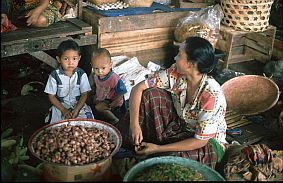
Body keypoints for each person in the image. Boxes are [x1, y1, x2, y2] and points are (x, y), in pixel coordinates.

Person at [117, 36, 228, 169]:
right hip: (181, 125)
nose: (175, 58)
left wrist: (158, 148)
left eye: (179, 55)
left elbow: (199, 141)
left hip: (206, 142)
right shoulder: (176, 72)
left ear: (190, 64)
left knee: (171, 161)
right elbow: (138, 88)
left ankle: (149, 155)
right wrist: (134, 125)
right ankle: (130, 143)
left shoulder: (211, 95)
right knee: (151, 95)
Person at [44, 39, 94, 123]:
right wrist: (64, 110)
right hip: (61, 105)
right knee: (56, 124)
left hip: (78, 105)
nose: (70, 62)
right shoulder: (54, 75)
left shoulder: (81, 74)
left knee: (87, 122)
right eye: (66, 59)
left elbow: (84, 94)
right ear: (59, 59)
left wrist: (77, 109)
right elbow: (51, 96)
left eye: (74, 58)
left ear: (79, 58)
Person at [88, 48, 127, 125]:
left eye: (103, 68)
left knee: (98, 107)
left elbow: (121, 93)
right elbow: (96, 86)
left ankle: (114, 120)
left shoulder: (113, 78)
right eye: (96, 68)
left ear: (110, 65)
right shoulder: (95, 76)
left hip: (112, 102)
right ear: (92, 66)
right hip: (101, 98)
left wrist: (112, 105)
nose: (100, 71)